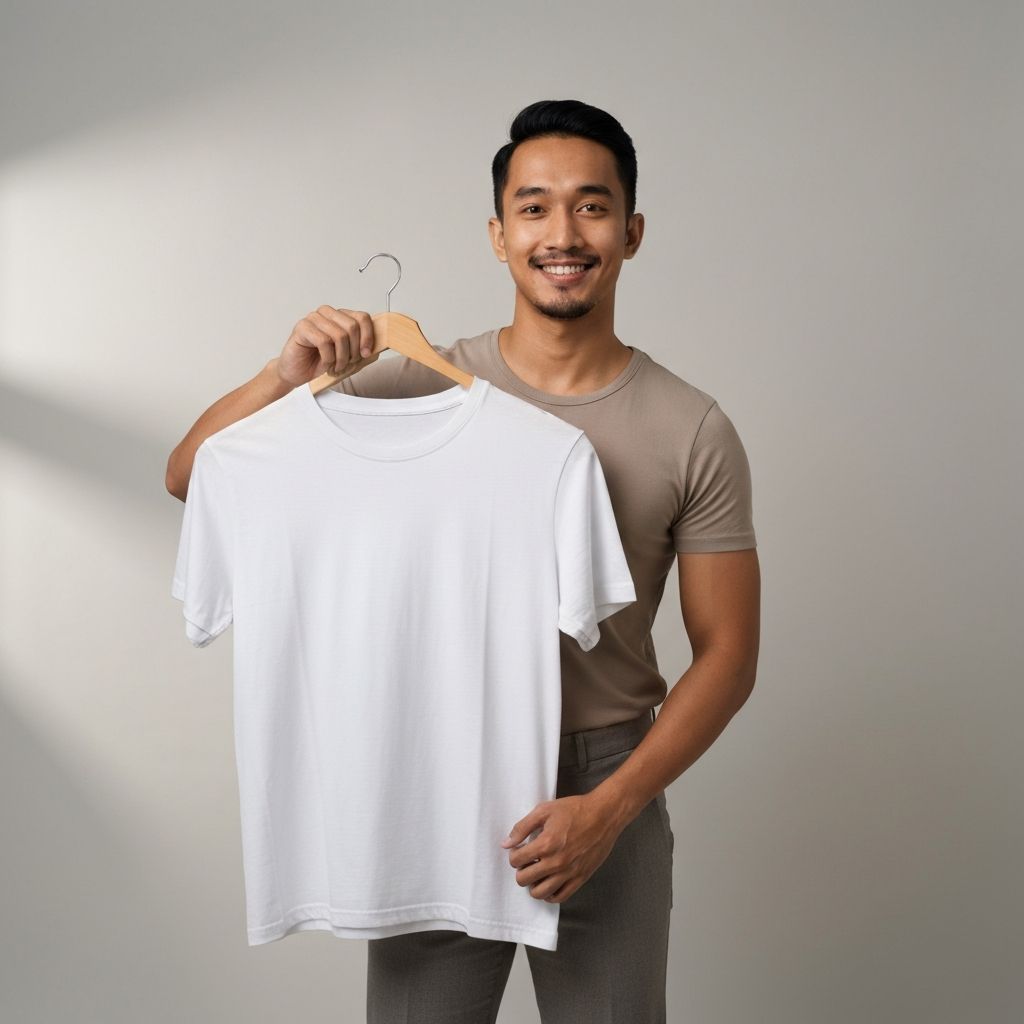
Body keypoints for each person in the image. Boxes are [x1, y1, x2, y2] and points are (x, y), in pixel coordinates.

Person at [166, 98, 761, 1024]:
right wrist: (284, 375)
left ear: (632, 232)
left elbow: (728, 655)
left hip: (606, 776)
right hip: (436, 763)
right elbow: (192, 476)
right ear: (498, 234)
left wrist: (608, 807)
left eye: (592, 206)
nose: (562, 233)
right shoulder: (409, 385)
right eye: (534, 207)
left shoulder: (691, 427)